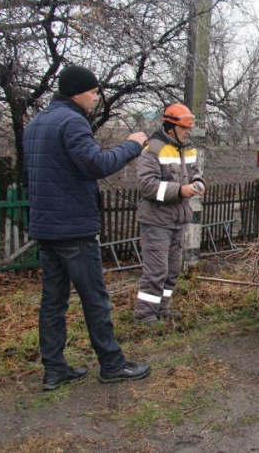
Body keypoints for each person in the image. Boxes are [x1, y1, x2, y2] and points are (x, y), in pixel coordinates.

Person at [23, 65, 151, 391]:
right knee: (95, 300)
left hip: (46, 228)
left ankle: (55, 370)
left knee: (53, 303)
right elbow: (97, 165)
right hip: (73, 231)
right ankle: (112, 365)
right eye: (94, 92)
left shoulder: (36, 123)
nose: (96, 98)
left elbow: (35, 177)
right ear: (78, 92)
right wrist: (133, 144)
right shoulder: (72, 122)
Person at [133, 103, 204, 325]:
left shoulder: (189, 149)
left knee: (172, 271)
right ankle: (145, 316)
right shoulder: (152, 150)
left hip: (177, 220)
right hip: (156, 221)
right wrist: (179, 191)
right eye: (184, 128)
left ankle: (162, 311)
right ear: (171, 127)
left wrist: (198, 183)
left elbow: (196, 173)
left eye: (189, 128)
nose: (188, 131)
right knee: (156, 271)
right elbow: (146, 186)